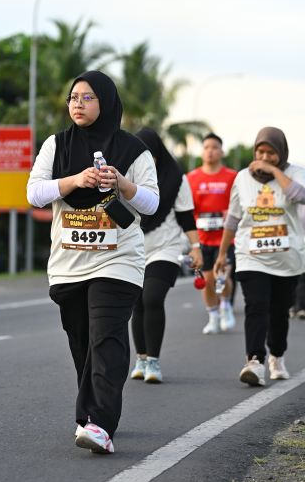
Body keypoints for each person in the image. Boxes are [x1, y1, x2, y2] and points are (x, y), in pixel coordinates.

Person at [26, 70, 159, 454]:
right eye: (74, 97)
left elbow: (151, 203)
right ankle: (90, 412)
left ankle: (100, 424)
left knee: (106, 338)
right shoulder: (57, 145)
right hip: (68, 263)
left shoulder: (133, 150)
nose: (78, 104)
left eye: (87, 98)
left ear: (106, 102)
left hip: (118, 261)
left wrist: (122, 184)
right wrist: (75, 181)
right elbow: (34, 193)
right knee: (82, 343)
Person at [214, 126, 305, 386]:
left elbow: (301, 196)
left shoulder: (295, 173)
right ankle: (254, 361)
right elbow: (233, 218)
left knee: (279, 311)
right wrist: (222, 253)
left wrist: (275, 172)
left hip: (287, 259)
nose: (264, 157)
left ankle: (277, 355)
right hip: (250, 255)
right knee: (256, 306)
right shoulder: (242, 177)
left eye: (271, 153)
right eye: (260, 152)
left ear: (282, 153)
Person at [130, 128, 203, 383]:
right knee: (137, 304)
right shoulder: (125, 176)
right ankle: (140, 358)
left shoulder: (176, 178)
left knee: (152, 298)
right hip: (133, 249)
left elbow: (186, 216)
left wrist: (196, 247)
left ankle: (153, 362)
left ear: (158, 154)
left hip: (166, 248)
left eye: (149, 154)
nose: (145, 160)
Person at [187, 133, 237, 334]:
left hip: (226, 238)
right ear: (202, 152)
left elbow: (239, 204)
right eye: (206, 147)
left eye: (215, 147)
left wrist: (229, 213)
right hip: (202, 238)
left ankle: (225, 306)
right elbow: (187, 208)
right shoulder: (191, 178)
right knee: (207, 280)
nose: (210, 151)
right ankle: (213, 316)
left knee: (221, 276)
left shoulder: (232, 176)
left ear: (222, 152)